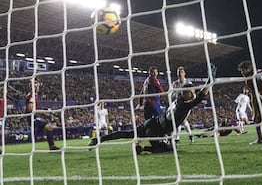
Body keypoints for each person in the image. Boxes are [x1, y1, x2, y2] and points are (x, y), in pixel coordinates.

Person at [88, 65, 216, 154]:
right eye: (191, 92)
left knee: (127, 134)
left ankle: (96, 140)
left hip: (152, 122)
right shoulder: (184, 105)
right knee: (170, 149)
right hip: (156, 131)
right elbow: (200, 96)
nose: (194, 93)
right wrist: (210, 81)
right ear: (185, 94)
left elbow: (198, 94)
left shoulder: (179, 100)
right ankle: (143, 149)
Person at [25, 79, 60, 151]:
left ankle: (46, 141)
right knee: (48, 126)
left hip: (34, 117)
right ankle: (51, 145)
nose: (38, 87)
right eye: (36, 85)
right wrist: (43, 113)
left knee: (48, 127)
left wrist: (44, 114)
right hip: (32, 118)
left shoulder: (34, 95)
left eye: (38, 85)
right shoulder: (32, 96)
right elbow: (30, 109)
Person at [172, 66, 194, 143]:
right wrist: (175, 96)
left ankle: (178, 138)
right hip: (178, 105)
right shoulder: (175, 83)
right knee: (179, 120)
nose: (180, 74)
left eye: (181, 72)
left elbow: (193, 94)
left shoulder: (188, 83)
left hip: (187, 104)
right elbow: (172, 94)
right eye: (178, 73)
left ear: (184, 73)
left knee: (182, 120)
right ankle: (190, 135)